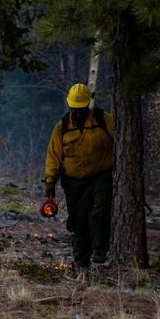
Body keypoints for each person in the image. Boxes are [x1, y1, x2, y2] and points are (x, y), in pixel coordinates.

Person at [44, 84, 114, 268]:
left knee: (100, 209)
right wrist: (50, 181)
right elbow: (54, 156)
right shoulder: (63, 127)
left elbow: (123, 143)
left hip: (101, 175)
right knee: (78, 219)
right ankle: (81, 261)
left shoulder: (104, 120)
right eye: (74, 109)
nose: (77, 112)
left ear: (88, 105)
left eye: (80, 108)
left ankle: (100, 250)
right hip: (74, 182)